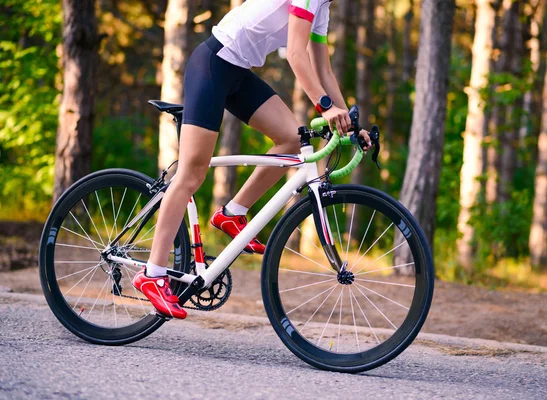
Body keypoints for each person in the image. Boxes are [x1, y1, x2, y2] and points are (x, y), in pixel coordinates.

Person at [133, 0, 372, 319]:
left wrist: (352, 126)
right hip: (213, 65)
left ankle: (233, 213)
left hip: (238, 73)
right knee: (191, 175)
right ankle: (152, 272)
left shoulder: (322, 9)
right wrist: (326, 107)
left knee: (291, 139)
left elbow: (323, 69)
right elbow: (295, 54)